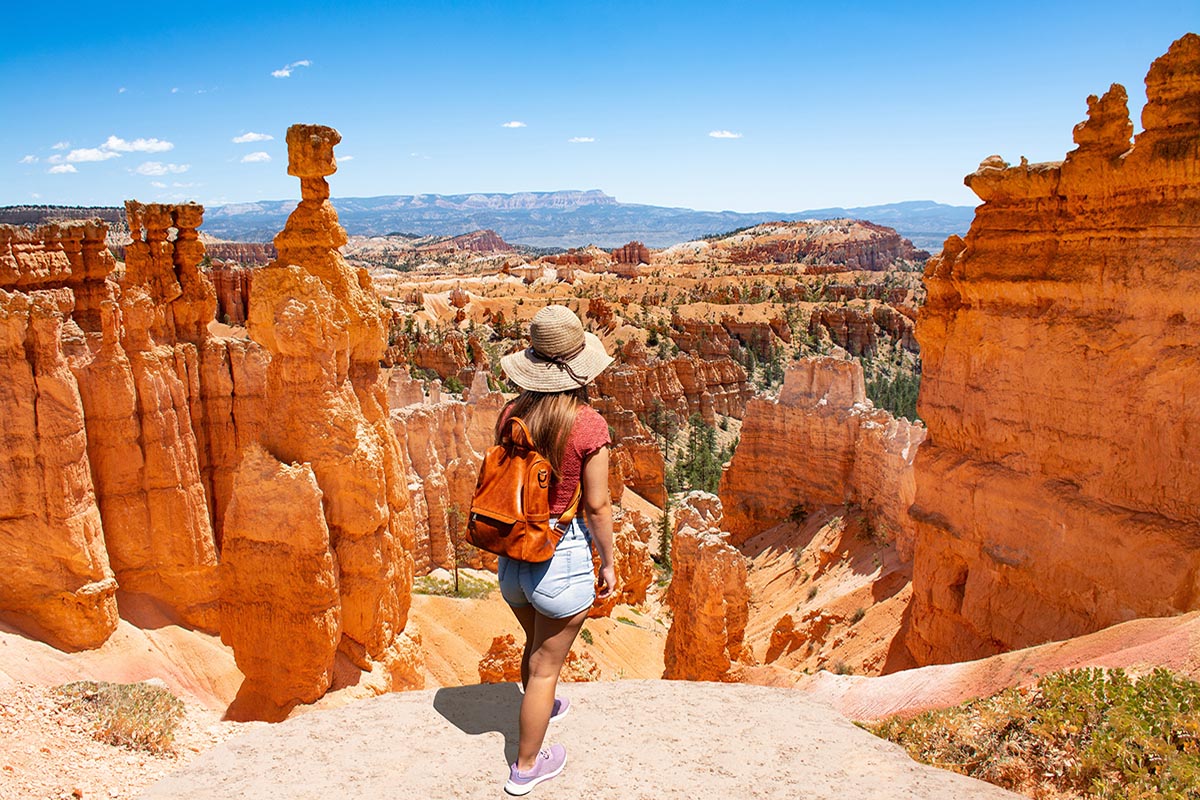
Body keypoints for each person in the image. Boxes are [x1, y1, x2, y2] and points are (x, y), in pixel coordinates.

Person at [494, 304, 617, 796]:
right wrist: (607, 562)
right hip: (558, 559)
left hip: (512, 555)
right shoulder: (587, 425)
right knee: (546, 668)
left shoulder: (511, 413)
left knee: (536, 644)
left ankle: (541, 704)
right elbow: (598, 505)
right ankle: (527, 766)